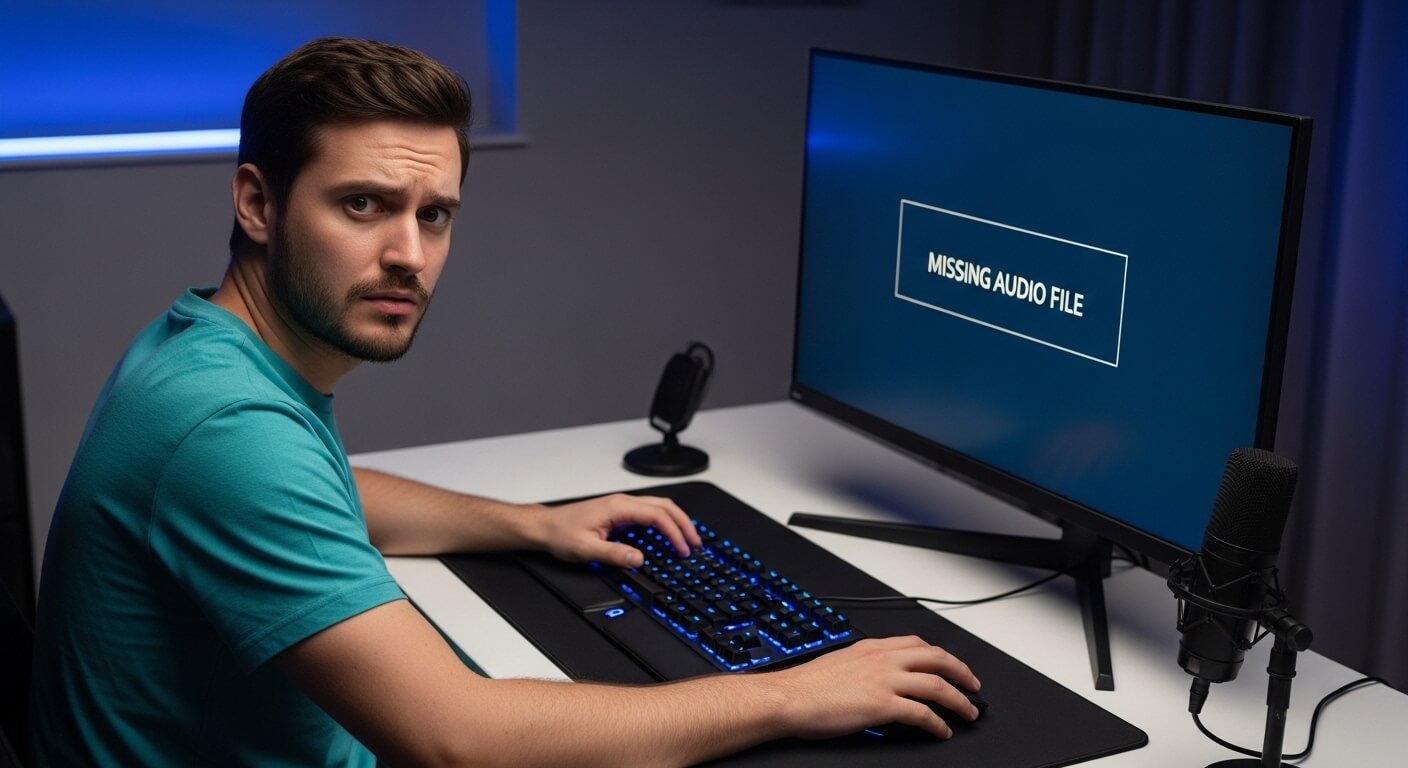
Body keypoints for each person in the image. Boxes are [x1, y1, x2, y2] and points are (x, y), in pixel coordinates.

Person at [28, 37, 980, 767]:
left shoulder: (205, 353)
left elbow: (324, 492)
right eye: (362, 205)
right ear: (257, 203)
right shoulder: (226, 432)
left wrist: (534, 526)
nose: (409, 252)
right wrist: (791, 696)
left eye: (433, 214)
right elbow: (457, 742)